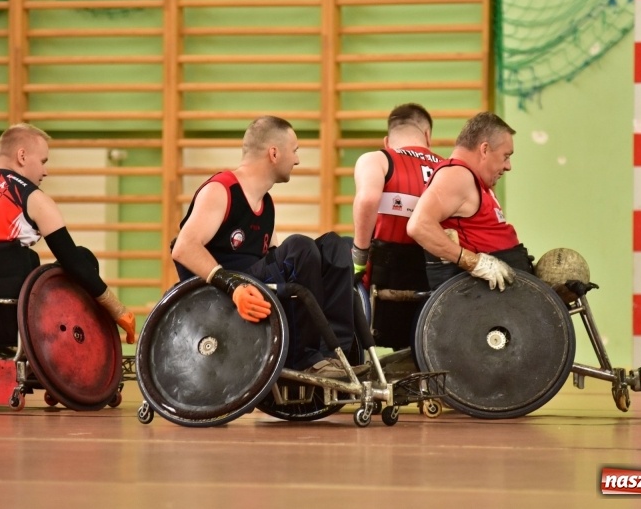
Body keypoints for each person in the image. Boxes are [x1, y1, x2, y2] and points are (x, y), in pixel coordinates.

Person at [171, 115, 368, 378]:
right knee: (299, 247)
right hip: (223, 292)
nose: (297, 159)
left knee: (336, 245)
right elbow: (183, 248)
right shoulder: (222, 190)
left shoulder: (266, 204)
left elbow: (275, 261)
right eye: (295, 150)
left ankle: (333, 355)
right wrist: (232, 285)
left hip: (257, 282)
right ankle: (302, 358)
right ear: (274, 153)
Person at [0, 123, 136, 344]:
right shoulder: (32, 197)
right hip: (9, 318)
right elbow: (73, 261)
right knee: (82, 257)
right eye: (43, 161)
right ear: (22, 156)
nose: (45, 171)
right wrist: (118, 309)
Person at [407, 111, 533, 291]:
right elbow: (419, 225)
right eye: (506, 156)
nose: (508, 166)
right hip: (477, 301)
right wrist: (474, 263)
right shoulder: (456, 175)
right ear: (484, 149)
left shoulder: (476, 181)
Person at [351, 103, 442, 348]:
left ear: (386, 141)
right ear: (427, 135)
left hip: (384, 284)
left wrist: (359, 257)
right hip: (435, 291)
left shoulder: (377, 159)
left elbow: (368, 198)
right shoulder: (449, 169)